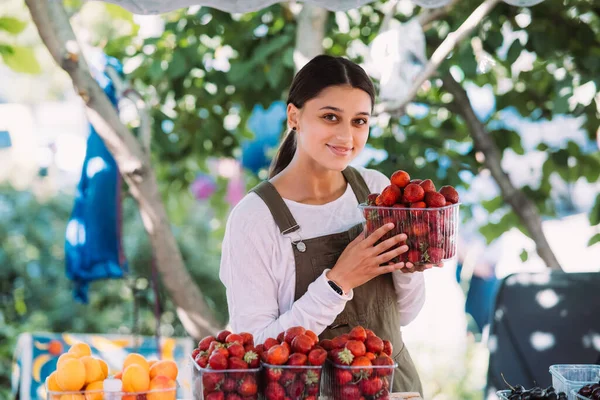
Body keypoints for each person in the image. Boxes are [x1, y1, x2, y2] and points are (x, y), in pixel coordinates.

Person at [219, 54, 433, 394]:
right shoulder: (254, 219)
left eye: (360, 121)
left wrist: (408, 269)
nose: (347, 136)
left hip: (395, 387)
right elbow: (255, 351)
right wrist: (337, 283)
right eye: (330, 117)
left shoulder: (377, 191)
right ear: (294, 116)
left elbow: (403, 317)